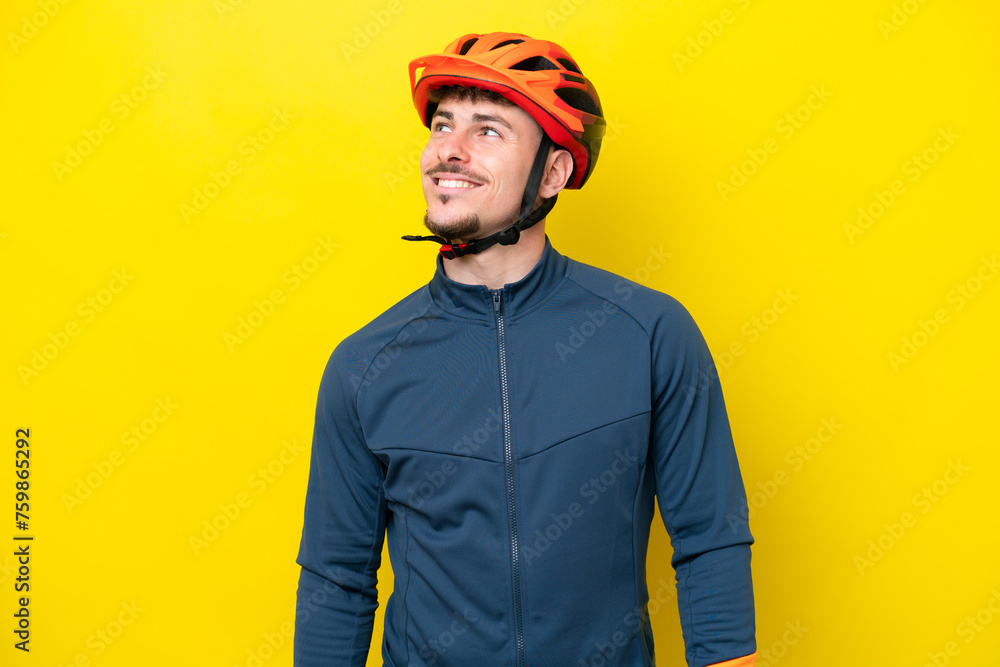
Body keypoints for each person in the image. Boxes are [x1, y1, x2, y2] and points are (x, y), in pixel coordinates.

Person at [294, 31, 757, 667]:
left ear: (554, 172)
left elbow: (710, 538)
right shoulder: (364, 366)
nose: (447, 152)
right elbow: (336, 577)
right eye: (442, 126)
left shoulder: (650, 334)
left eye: (487, 130)